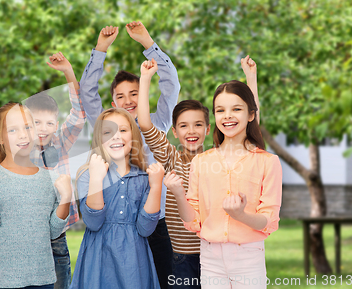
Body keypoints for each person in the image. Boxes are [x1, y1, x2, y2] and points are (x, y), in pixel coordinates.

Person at [0, 52, 85, 289]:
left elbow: (78, 115)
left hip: (54, 240)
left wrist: (68, 72)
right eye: (32, 123)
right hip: (11, 246)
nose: (41, 130)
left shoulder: (60, 142)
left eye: (48, 123)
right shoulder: (10, 150)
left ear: (56, 124)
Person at [138, 57, 259, 288]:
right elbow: (144, 123)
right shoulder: (171, 157)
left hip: (215, 253)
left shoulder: (219, 158)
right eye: (183, 125)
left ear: (207, 129)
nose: (191, 131)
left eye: (197, 125)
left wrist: (250, 78)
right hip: (181, 257)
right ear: (174, 131)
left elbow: (250, 127)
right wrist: (145, 79)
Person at [79, 22, 179, 287]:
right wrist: (100, 49)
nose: (128, 100)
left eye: (135, 93)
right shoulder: (106, 126)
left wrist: (148, 43)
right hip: (111, 225)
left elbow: (171, 85)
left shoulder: (156, 124)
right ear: (113, 104)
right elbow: (87, 94)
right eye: (121, 96)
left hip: (154, 222)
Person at [165, 80, 282, 289]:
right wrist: (178, 194)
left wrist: (241, 215)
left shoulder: (267, 162)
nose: (227, 115)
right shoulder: (201, 162)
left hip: (248, 256)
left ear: (251, 115)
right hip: (210, 257)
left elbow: (269, 221)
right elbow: (193, 221)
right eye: (220, 110)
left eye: (236, 109)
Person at [0, 102, 71, 289]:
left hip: (43, 279)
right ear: (0, 138)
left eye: (28, 127)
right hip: (4, 281)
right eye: (13, 130)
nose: (23, 134)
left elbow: (53, 231)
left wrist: (66, 198)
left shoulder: (50, 179)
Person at [70, 108, 165, 289]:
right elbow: (93, 222)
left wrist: (156, 187)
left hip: (134, 263)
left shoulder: (145, 178)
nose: (116, 136)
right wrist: (97, 179)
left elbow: (145, 229)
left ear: (133, 135)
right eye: (108, 132)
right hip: (98, 259)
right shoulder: (87, 174)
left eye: (122, 130)